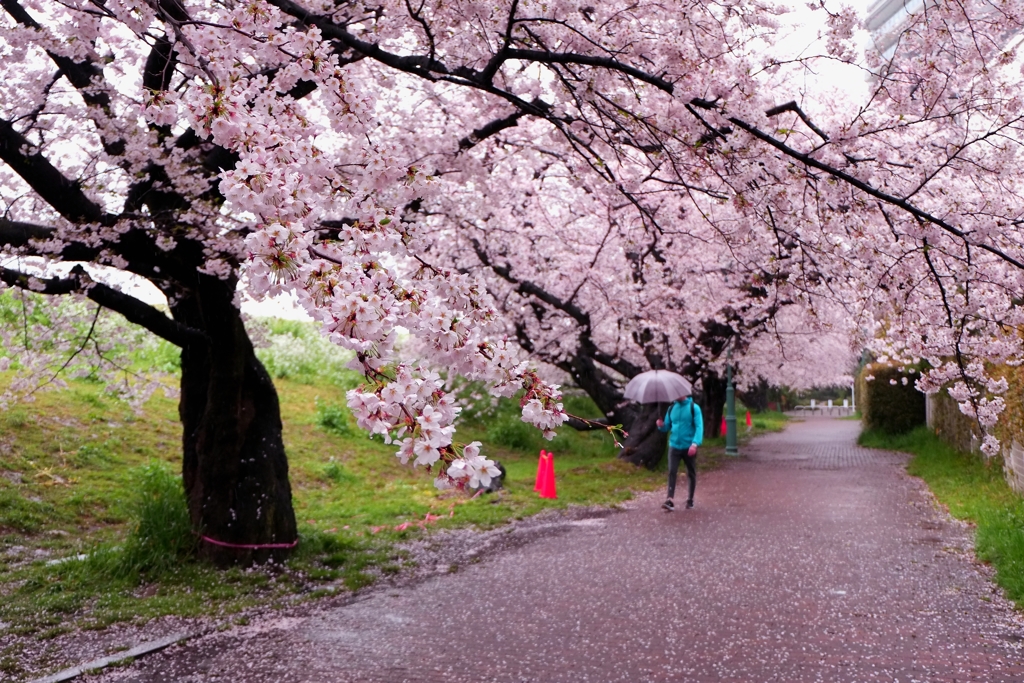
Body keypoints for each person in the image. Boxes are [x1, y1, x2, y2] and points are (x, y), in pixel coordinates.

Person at [656, 393, 704, 511]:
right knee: (672, 471)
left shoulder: (694, 408)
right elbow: (667, 426)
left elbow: (699, 427)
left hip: (689, 446)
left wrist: (695, 443)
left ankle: (690, 499)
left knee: (691, 473)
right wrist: (661, 425)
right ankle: (670, 499)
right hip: (674, 445)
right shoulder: (672, 408)